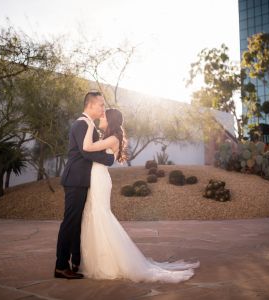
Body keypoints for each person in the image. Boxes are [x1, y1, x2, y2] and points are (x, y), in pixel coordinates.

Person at [78, 108, 200, 283]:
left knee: (100, 216)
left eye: (103, 115)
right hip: (96, 177)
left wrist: (89, 123)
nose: (100, 117)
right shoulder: (109, 136)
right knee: (93, 215)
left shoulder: (112, 138)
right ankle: (98, 261)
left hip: (100, 179)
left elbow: (87, 147)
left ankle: (108, 264)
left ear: (110, 120)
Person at [55, 91, 114, 279]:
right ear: (90, 105)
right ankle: (60, 266)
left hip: (83, 180)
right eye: (101, 105)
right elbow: (86, 152)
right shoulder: (82, 124)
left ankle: (75, 262)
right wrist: (109, 158)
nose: (103, 108)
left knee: (77, 222)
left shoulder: (88, 125)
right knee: (70, 223)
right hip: (75, 180)